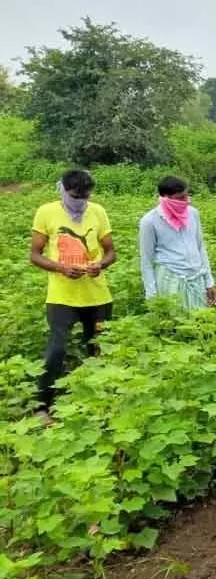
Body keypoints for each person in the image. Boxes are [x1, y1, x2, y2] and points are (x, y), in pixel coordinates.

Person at [30, 169, 117, 417]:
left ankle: (98, 405)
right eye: (74, 196)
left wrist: (101, 264)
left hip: (97, 295)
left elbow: (111, 251)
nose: (79, 201)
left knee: (98, 348)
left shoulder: (98, 211)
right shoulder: (46, 212)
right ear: (63, 190)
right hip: (62, 296)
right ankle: (42, 406)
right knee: (57, 349)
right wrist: (61, 268)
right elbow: (34, 255)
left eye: (85, 196)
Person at [139, 176, 216, 310]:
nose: (185, 201)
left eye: (186, 196)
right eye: (180, 198)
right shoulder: (149, 221)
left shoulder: (193, 214)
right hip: (170, 279)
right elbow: (146, 260)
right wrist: (152, 296)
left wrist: (209, 281)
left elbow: (200, 247)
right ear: (165, 198)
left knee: (201, 322)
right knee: (177, 324)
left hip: (196, 277)